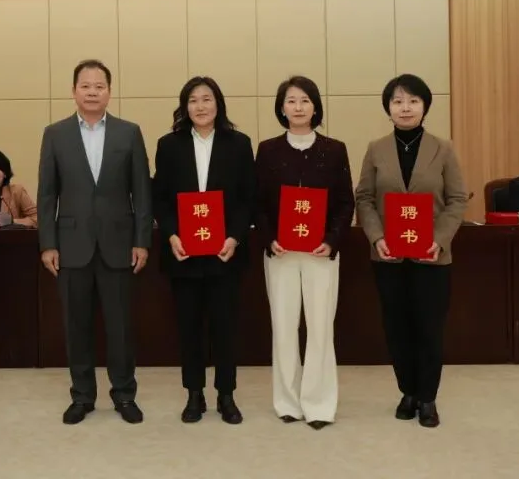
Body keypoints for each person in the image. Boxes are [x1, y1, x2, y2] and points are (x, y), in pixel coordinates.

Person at [37, 59, 152, 425]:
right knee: (76, 327)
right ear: (74, 91)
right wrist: (47, 243)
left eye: (99, 86)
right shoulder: (55, 134)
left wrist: (142, 240)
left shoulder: (128, 132)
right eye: (85, 86)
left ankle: (124, 395)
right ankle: (82, 396)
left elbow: (142, 192)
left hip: (119, 244)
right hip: (71, 246)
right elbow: (46, 194)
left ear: (109, 92)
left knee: (121, 327)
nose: (92, 92)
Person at [355, 74, 467, 429]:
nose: (406, 108)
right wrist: (376, 237)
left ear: (425, 107)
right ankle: (408, 391)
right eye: (398, 101)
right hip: (388, 255)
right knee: (397, 328)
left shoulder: (443, 148)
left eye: (413, 101)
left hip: (432, 256)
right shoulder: (376, 148)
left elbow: (457, 199)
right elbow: (364, 198)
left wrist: (440, 239)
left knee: (429, 328)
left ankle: (428, 397)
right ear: (388, 108)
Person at [152, 77, 254, 425]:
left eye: (207, 99)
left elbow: (247, 198)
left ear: (218, 104)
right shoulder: (169, 145)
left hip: (225, 252)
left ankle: (226, 395)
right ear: (185, 106)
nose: (200, 106)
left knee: (225, 327)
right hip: (184, 253)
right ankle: (194, 394)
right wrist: (171, 235)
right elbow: (160, 198)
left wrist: (235, 237)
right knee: (189, 327)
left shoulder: (239, 144)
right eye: (193, 100)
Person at [255, 76, 354, 430]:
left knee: (320, 326)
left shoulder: (335, 149)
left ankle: (319, 403)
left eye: (305, 100)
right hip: (280, 252)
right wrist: (269, 239)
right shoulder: (268, 150)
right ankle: (287, 401)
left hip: (319, 252)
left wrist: (332, 239)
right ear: (281, 108)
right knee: (283, 327)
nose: (298, 107)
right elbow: (258, 203)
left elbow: (345, 202)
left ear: (315, 107)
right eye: (291, 101)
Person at [0, 148, 38, 228]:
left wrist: (11, 221)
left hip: (8, 235)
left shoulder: (17, 191)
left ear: (5, 173)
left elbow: (37, 219)